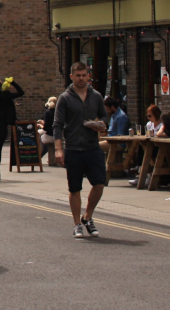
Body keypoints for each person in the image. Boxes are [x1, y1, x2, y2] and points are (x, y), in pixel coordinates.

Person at [54, 62, 108, 238]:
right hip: (73, 149)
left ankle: (88, 217)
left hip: (93, 147)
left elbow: (105, 117)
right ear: (72, 77)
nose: (82, 78)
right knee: (75, 188)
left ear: (88, 76)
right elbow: (57, 125)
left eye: (84, 75)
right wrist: (58, 149)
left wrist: (100, 125)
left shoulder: (96, 96)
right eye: (78, 75)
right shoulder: (65, 98)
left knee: (100, 183)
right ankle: (77, 223)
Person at [37, 96, 57, 165]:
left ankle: (37, 156)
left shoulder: (48, 112)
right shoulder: (59, 112)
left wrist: (41, 125)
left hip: (50, 136)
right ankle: (52, 160)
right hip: (58, 135)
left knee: (39, 137)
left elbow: (46, 128)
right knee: (42, 135)